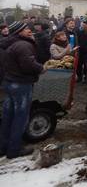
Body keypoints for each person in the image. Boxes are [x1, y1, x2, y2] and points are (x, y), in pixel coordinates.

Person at [0, 22, 45, 158]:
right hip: (21, 84)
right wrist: (41, 68)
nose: (29, 31)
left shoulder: (10, 43)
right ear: (19, 32)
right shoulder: (23, 45)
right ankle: (14, 150)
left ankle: (3, 147)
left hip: (10, 82)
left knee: (8, 116)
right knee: (20, 118)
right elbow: (28, 64)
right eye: (26, 29)